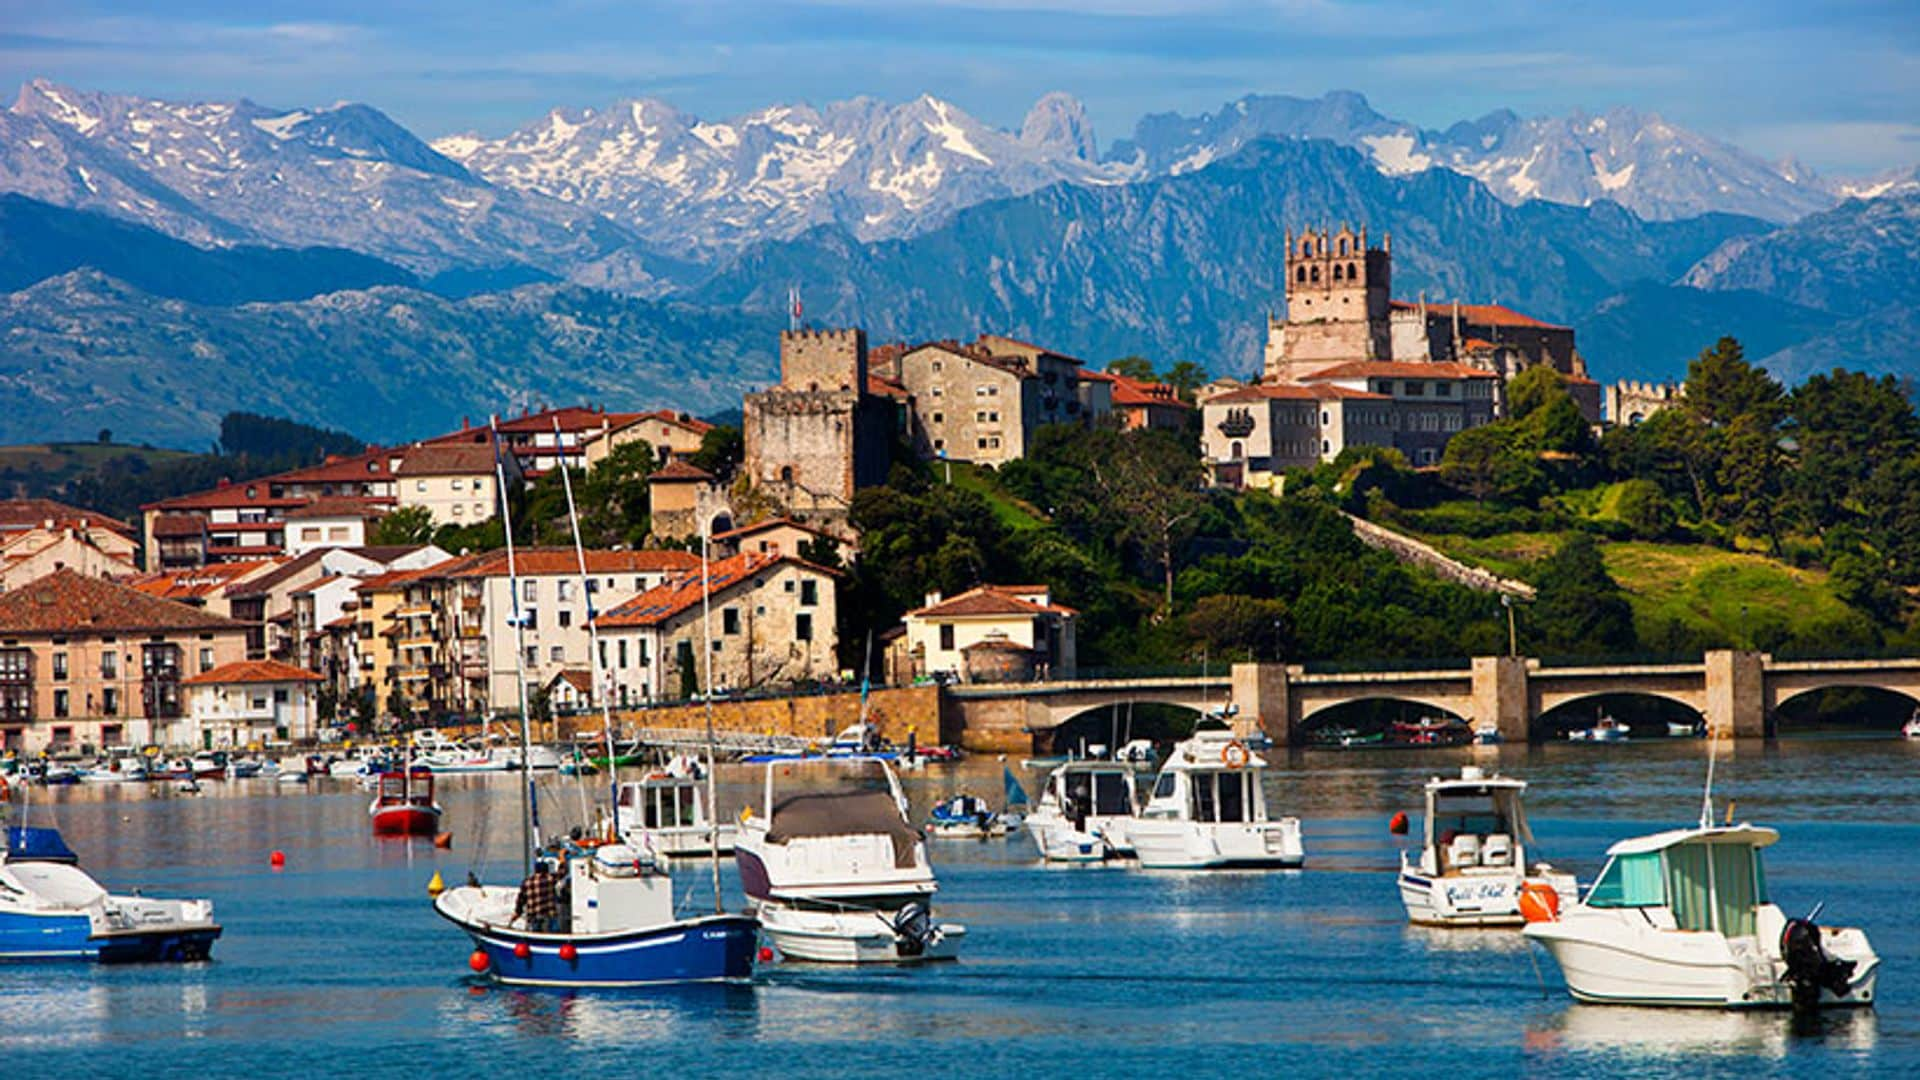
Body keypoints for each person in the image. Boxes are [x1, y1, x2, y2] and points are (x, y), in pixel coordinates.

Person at [514, 863, 561, 933]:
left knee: (535, 933)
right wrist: (562, 858)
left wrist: (518, 912)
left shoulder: (526, 882)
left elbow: (520, 900)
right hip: (549, 914)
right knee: (554, 933)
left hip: (533, 915)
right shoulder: (550, 879)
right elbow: (563, 872)